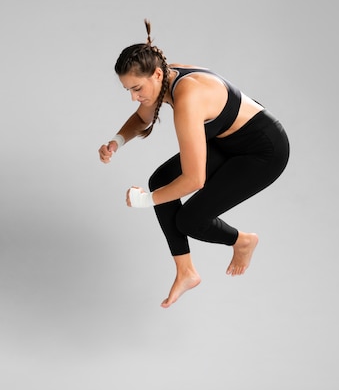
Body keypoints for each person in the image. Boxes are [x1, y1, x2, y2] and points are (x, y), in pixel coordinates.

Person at [99, 20, 290, 308]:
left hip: (263, 152)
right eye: (128, 90)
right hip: (230, 142)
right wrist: (117, 141)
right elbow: (142, 118)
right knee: (162, 180)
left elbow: (194, 180)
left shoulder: (188, 97)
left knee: (190, 220)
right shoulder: (164, 77)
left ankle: (243, 241)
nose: (134, 97)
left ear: (157, 74)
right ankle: (186, 272)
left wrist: (143, 202)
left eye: (136, 88)